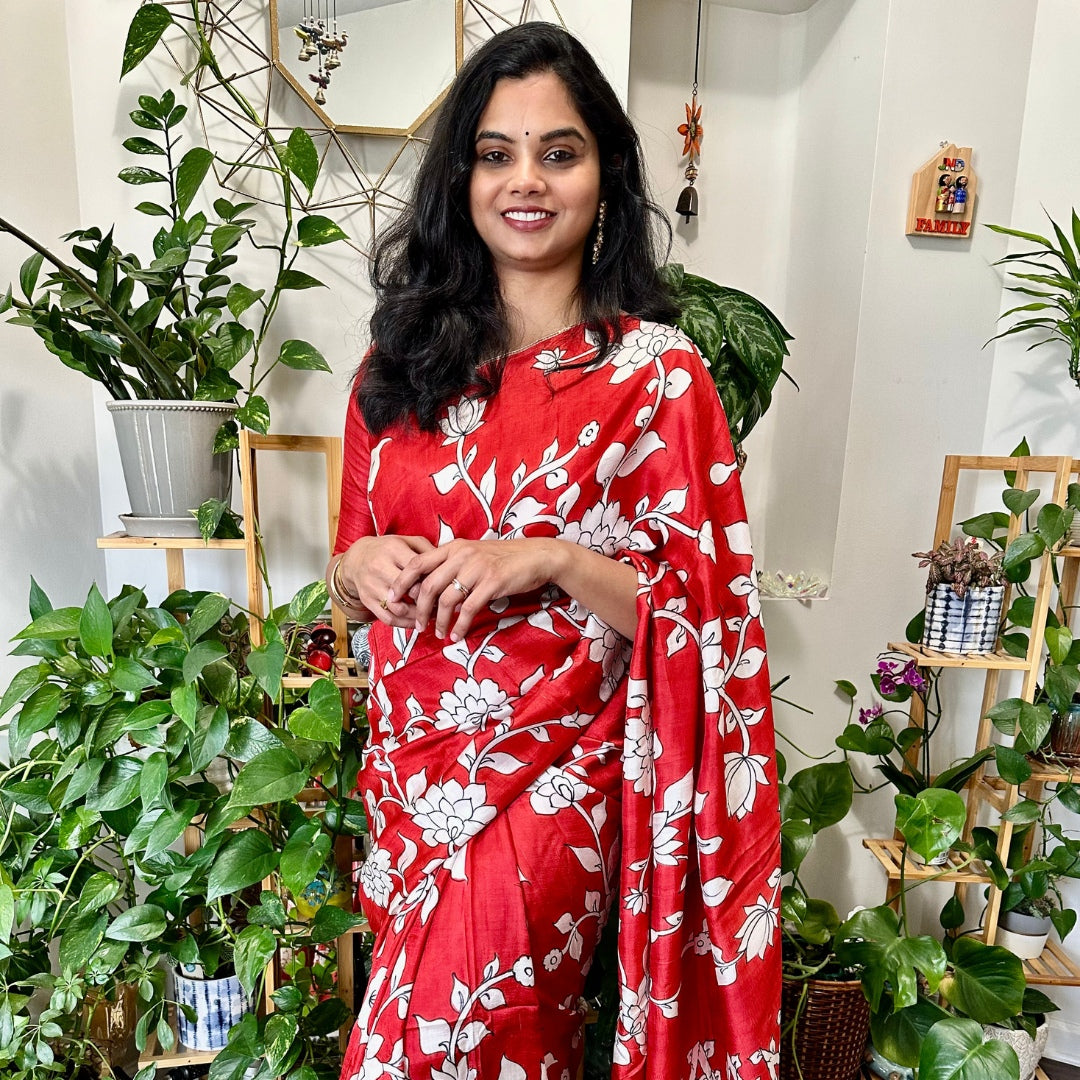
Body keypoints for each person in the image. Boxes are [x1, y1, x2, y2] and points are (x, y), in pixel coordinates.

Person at [327, 23, 779, 1080]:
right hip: (409, 779)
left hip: (551, 780)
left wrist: (554, 560)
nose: (526, 181)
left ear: (607, 177)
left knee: (461, 1036)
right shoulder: (395, 368)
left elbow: (711, 611)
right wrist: (361, 571)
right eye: (496, 153)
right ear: (462, 177)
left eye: (559, 152)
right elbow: (343, 569)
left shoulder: (658, 379)